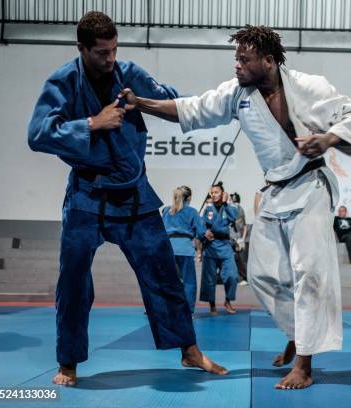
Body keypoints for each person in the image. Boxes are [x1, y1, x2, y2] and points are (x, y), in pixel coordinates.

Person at [120, 25, 351, 389]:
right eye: (236, 57)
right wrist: (140, 103)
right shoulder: (236, 94)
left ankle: (304, 364)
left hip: (310, 186)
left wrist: (328, 138)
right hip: (274, 192)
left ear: (268, 61)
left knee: (309, 273)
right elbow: (189, 109)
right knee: (261, 274)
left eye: (244, 58)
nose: (237, 65)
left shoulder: (308, 86)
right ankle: (296, 333)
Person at [27, 11, 226, 386]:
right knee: (72, 282)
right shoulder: (63, 82)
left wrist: (148, 101)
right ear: (82, 48)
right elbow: (37, 134)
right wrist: (90, 124)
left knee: (164, 274)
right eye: (102, 52)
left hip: (134, 196)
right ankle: (68, 363)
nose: (110, 59)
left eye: (114, 50)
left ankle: (190, 350)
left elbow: (173, 102)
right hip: (86, 197)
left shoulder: (129, 73)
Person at [162, 186, 205, 317]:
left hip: (168, 248)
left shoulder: (166, 211)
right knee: (189, 282)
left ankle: (168, 308)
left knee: (168, 280)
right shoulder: (192, 212)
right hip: (185, 249)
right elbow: (201, 232)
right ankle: (188, 311)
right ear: (189, 197)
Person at [200, 182, 239, 315]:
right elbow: (202, 224)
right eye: (212, 193)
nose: (214, 195)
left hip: (225, 246)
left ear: (223, 194)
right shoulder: (208, 209)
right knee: (209, 279)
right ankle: (212, 306)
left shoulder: (229, 207)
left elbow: (234, 218)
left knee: (232, 276)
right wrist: (205, 232)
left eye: (216, 192)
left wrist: (226, 203)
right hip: (211, 247)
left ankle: (228, 301)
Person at [229, 192, 249, 284]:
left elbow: (240, 224)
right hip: (237, 237)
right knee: (238, 259)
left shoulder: (234, 208)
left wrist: (240, 238)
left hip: (235, 237)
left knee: (239, 259)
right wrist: (243, 238)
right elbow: (244, 225)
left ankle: (243, 278)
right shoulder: (240, 208)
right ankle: (243, 278)